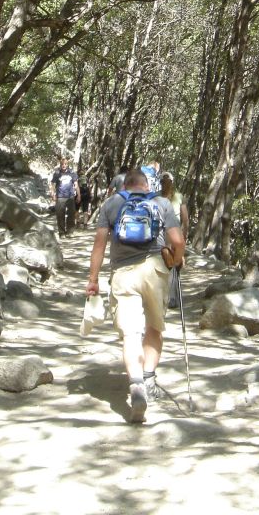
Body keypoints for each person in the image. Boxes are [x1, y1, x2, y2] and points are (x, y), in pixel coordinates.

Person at [86, 167, 185, 423]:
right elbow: (178, 241)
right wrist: (176, 260)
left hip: (123, 274)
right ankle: (149, 377)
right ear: (147, 186)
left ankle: (137, 385)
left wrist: (93, 280)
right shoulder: (162, 203)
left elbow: (99, 246)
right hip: (155, 271)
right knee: (154, 327)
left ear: (124, 186)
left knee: (131, 334)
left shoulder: (111, 204)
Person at [159, 172, 189, 309]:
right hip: (165, 233)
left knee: (172, 263)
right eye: (164, 181)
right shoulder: (158, 197)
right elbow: (185, 220)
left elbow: (185, 219)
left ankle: (171, 296)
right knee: (167, 262)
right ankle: (167, 295)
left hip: (171, 232)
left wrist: (184, 235)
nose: (165, 183)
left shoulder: (178, 197)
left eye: (167, 181)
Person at [50, 156, 80, 237]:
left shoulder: (72, 173)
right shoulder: (57, 173)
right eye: (62, 164)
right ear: (60, 164)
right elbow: (53, 184)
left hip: (70, 196)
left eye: (65, 164)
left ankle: (70, 232)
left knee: (71, 214)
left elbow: (76, 184)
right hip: (60, 196)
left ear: (67, 164)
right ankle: (62, 232)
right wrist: (52, 194)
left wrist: (78, 195)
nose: (64, 165)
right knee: (60, 215)